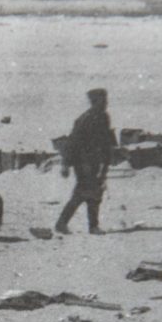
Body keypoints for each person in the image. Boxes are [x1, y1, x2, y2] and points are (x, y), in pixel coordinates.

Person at [55, 88, 116, 235]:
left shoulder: (104, 117)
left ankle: (87, 225)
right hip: (83, 162)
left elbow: (107, 140)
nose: (106, 103)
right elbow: (72, 142)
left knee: (94, 192)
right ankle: (67, 224)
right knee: (84, 193)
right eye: (103, 100)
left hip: (96, 161)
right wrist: (65, 164)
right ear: (95, 101)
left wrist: (108, 159)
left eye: (106, 100)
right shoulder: (85, 119)